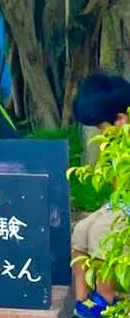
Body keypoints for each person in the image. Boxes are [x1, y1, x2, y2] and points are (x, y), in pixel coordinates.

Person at [70, 71, 130, 318]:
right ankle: (82, 300)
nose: (99, 133)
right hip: (122, 203)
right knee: (81, 229)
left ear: (120, 120)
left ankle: (106, 299)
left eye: (100, 127)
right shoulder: (116, 144)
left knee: (102, 231)